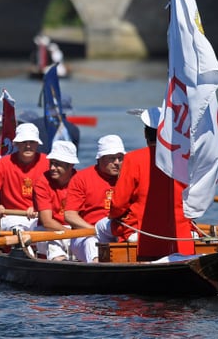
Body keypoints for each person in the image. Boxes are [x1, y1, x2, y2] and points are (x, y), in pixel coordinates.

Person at [109, 107, 196, 261]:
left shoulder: (133, 159)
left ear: (145, 133)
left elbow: (118, 203)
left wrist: (113, 216)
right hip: (182, 238)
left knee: (104, 227)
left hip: (145, 238)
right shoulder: (184, 158)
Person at [64, 134, 127, 262]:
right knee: (90, 242)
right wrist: (93, 230)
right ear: (100, 158)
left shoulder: (128, 177)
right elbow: (70, 215)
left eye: (120, 158)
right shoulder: (81, 178)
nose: (116, 163)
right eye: (112, 158)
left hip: (119, 232)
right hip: (86, 234)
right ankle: (98, 269)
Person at [0, 123, 50, 231]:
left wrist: (40, 209)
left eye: (31, 142)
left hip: (43, 216)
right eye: (24, 142)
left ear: (37, 143)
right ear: (16, 144)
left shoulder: (49, 163)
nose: (28, 146)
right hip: (10, 217)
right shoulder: (2, 164)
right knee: (18, 231)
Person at [32, 140, 79, 261]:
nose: (52, 168)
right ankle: (60, 261)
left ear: (70, 165)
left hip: (76, 230)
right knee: (54, 242)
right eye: (51, 163)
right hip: (49, 230)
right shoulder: (42, 182)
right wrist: (70, 235)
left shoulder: (81, 181)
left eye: (57, 164)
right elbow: (47, 222)